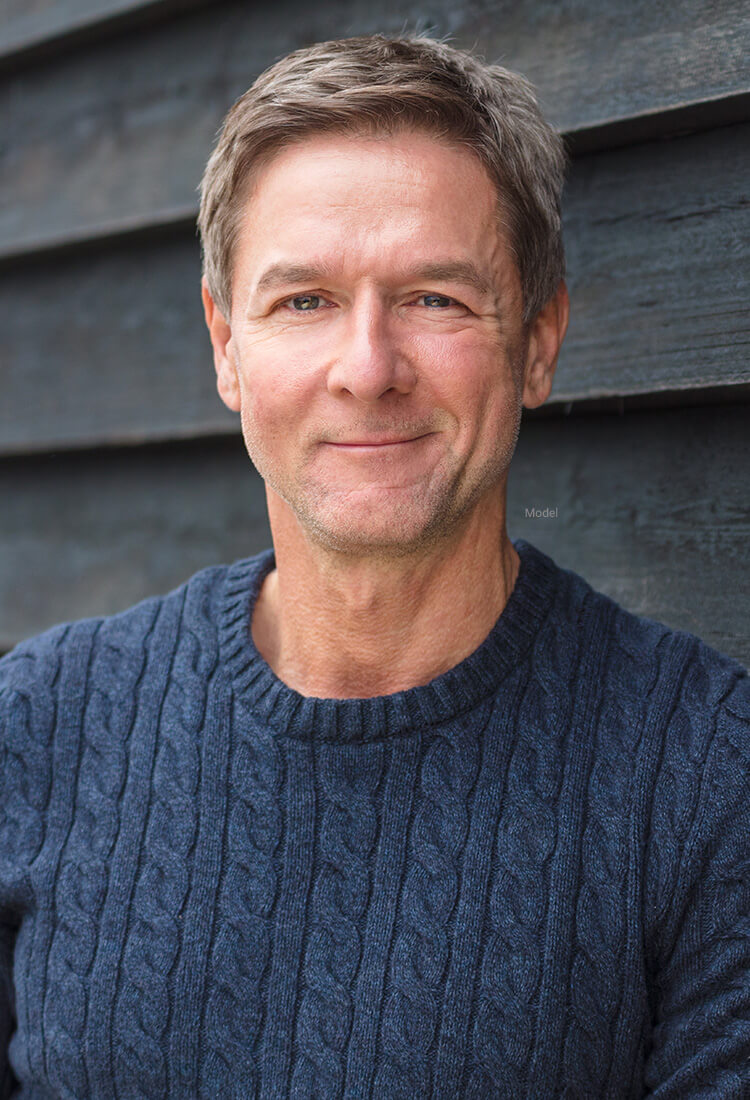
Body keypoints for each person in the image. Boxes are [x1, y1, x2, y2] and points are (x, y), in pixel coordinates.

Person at [1, 31, 748, 1100]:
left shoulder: (706, 777)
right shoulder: (35, 722)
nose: (367, 368)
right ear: (225, 346)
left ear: (537, 341)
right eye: (303, 299)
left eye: (434, 298)